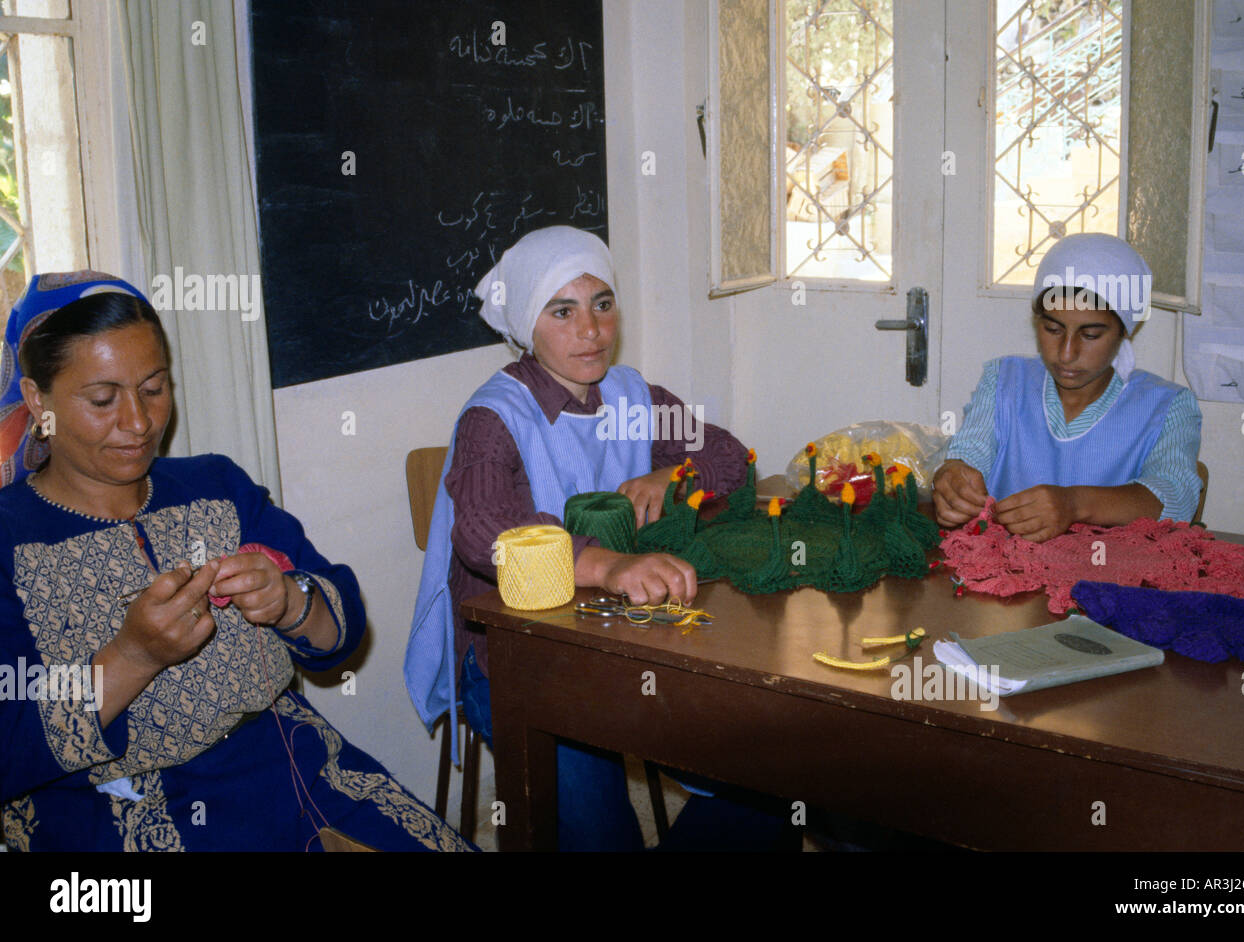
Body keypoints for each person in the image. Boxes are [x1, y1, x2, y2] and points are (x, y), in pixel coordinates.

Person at [0, 271, 470, 852]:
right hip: (113, 811)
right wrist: (132, 656)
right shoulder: (9, 540)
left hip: (294, 767)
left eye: (153, 388)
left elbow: (342, 632)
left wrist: (290, 602)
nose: (139, 422)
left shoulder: (215, 485)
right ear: (37, 400)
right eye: (102, 400)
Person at [406, 226, 783, 851]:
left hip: (627, 637)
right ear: (530, 324)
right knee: (596, 827)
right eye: (563, 310)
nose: (591, 329)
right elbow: (482, 534)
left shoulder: (630, 396)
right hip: (516, 657)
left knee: (763, 777)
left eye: (602, 303)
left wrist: (676, 473)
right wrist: (607, 566)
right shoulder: (494, 418)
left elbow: (731, 456)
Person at [935, 233, 1202, 542]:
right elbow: (970, 452)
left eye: (1090, 335)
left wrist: (1075, 504)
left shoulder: (1167, 406)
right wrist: (953, 474)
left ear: (1125, 331)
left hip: (1106, 580)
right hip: (1007, 574)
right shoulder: (1003, 381)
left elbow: (1176, 497)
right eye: (1052, 329)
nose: (1066, 353)